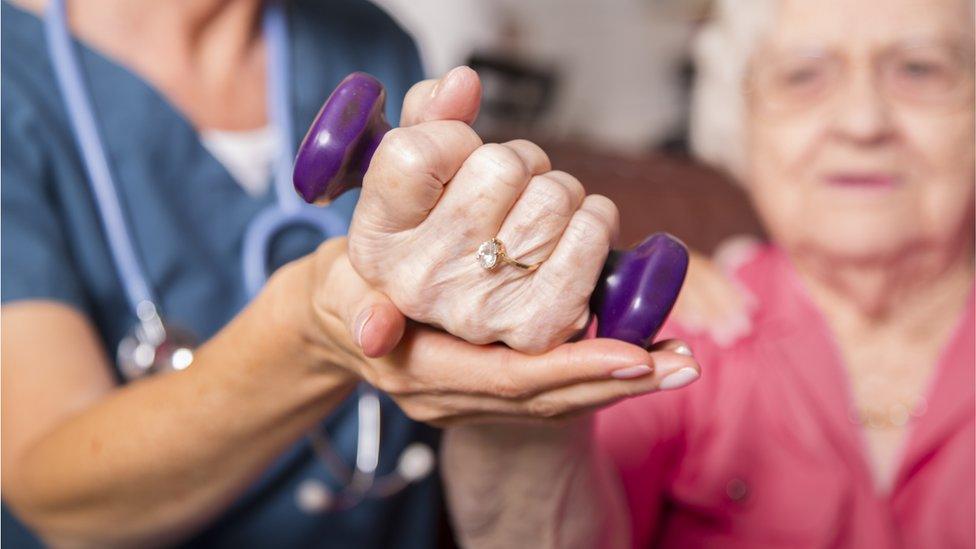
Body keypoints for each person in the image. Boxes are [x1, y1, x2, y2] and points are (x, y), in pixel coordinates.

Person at [1, 0, 703, 546]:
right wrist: (310, 330)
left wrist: (526, 322)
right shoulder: (16, 77)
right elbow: (49, 493)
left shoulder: (367, 38)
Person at [441, 0, 976, 546]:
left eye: (920, 69)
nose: (863, 123)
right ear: (739, 120)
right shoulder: (677, 332)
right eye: (803, 74)